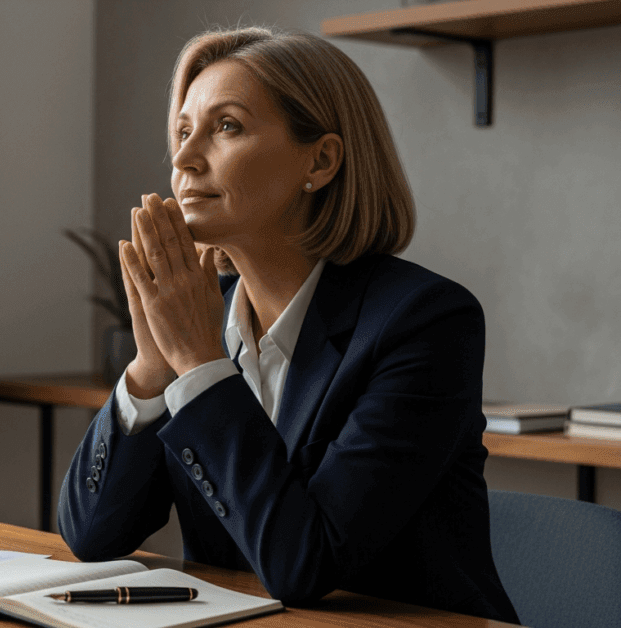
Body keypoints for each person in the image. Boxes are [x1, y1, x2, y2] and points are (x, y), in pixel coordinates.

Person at [57, 26, 519, 623]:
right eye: (182, 130)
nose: (184, 158)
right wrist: (151, 367)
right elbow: (91, 537)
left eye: (226, 126)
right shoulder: (201, 316)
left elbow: (307, 565)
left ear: (321, 161)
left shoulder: (426, 322)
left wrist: (199, 366)